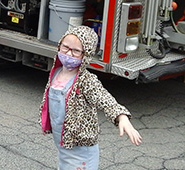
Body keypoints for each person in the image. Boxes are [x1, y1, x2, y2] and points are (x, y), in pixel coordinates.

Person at [40, 25, 142, 170]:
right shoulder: (55, 73)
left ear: (85, 55)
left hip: (81, 151)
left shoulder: (86, 80)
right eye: (65, 47)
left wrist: (122, 117)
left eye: (76, 51)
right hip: (64, 144)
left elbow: (104, 98)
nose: (69, 54)